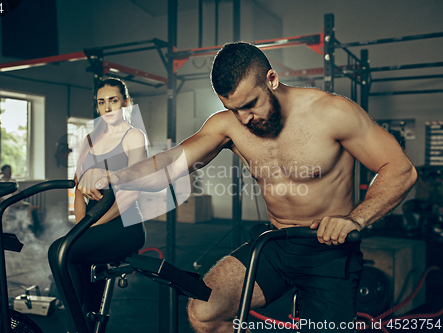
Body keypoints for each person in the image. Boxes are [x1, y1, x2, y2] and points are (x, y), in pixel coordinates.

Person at [78, 42, 417, 332]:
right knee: (204, 312)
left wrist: (356, 219)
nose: (243, 119)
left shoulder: (332, 112)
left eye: (249, 105)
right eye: (231, 109)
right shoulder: (229, 126)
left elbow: (400, 169)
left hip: (329, 251)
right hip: (274, 243)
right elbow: (170, 163)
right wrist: (117, 176)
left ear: (272, 79)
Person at [48, 77, 148, 333]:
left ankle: (76, 327)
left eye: (113, 100)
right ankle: (82, 322)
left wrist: (91, 225)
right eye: (101, 102)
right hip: (92, 223)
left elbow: (131, 192)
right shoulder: (89, 140)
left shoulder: (133, 136)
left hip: (125, 224)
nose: (107, 107)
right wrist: (81, 224)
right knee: (70, 258)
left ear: (126, 102)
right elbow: (80, 188)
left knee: (61, 251)